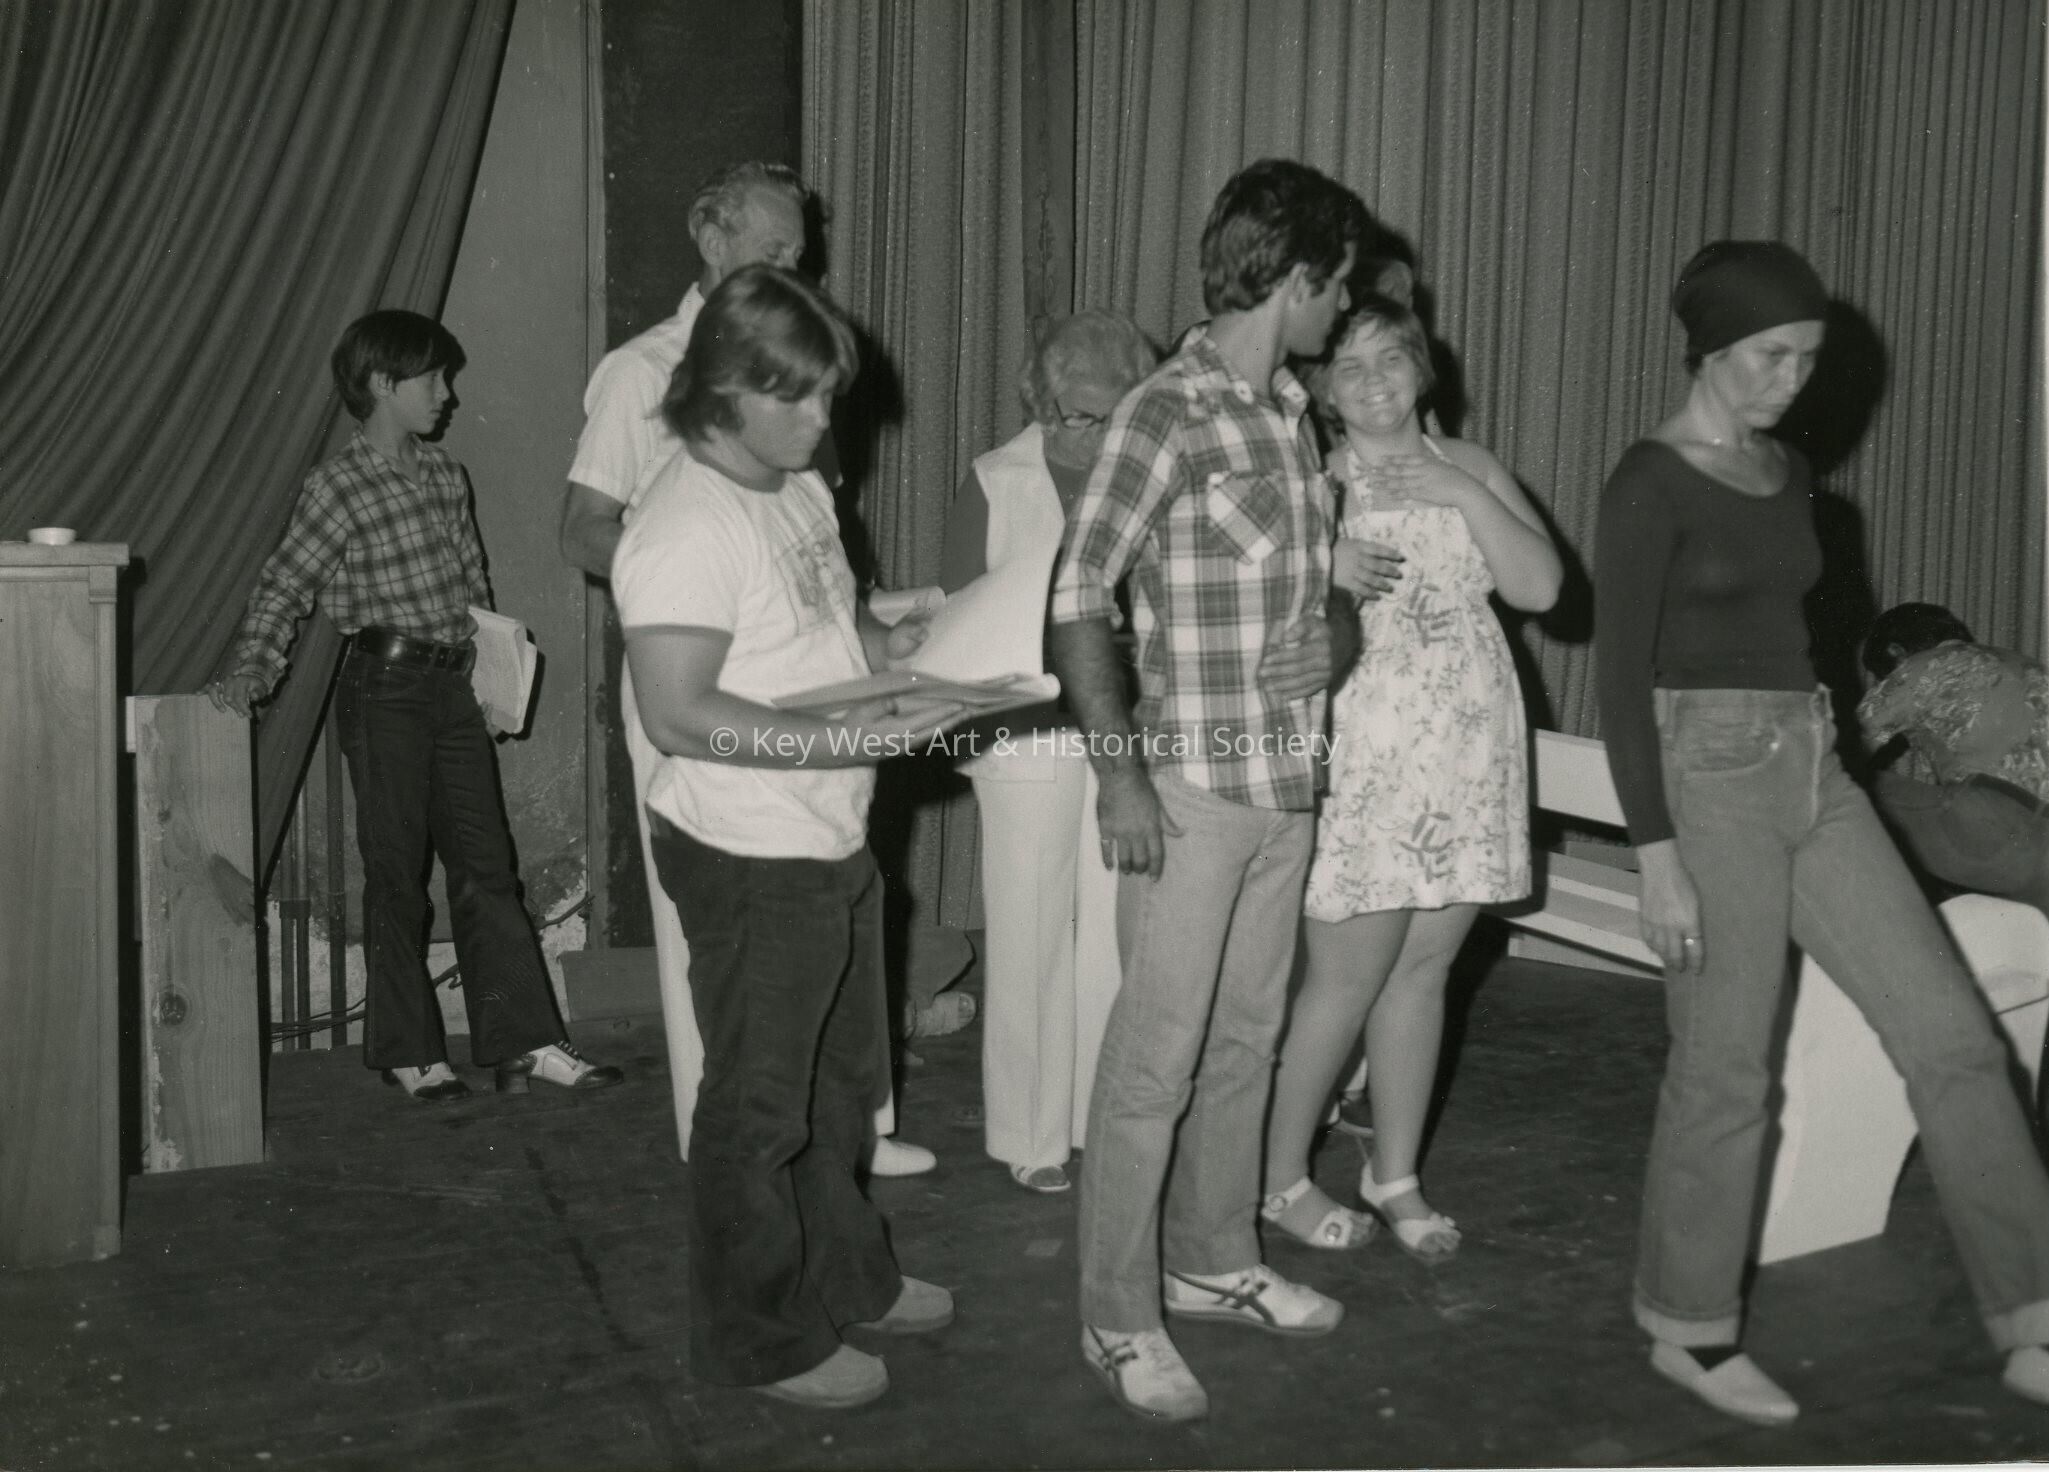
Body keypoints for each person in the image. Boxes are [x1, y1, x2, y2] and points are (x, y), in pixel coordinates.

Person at [1593, 240, 2049, 1425]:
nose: (1792, 380)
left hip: (1816, 762)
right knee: (1726, 1064)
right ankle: (1688, 1329)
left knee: (1954, 1035)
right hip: (1707, 777)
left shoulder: (1791, 470)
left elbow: (1803, 641)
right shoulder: (1648, 481)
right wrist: (1658, 857)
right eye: (1770, 355)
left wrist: (1827, 749)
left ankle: (2033, 1313)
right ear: (1709, 347)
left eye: (1805, 358)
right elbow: (1620, 682)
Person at [1048, 158, 1370, 1423]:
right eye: (1337, 287)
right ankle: (1116, 1313)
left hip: (1287, 785)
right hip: (1189, 788)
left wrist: (1336, 632)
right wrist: (1119, 779)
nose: (1345, 309)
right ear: (1296, 279)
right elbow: (1078, 596)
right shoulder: (1165, 411)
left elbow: (1325, 593)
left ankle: (1215, 1256)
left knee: (1247, 1040)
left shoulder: (1293, 414)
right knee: (1156, 1058)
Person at [613, 265, 966, 1410]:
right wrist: (834, 743)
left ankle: (850, 1277)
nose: (824, 418)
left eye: (827, 393)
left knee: (842, 1084)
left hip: (826, 832)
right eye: (798, 396)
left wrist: (894, 639)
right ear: (726, 390)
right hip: (748, 850)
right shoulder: (682, 523)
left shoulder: (795, 480)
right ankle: (760, 1338)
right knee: (760, 1106)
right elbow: (679, 712)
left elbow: (826, 615)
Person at [559, 160, 934, 1176]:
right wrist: (696, 572)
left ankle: (846, 1141)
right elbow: (583, 527)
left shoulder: (791, 371)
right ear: (709, 238)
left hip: (800, 673)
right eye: (769, 251)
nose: (788, 272)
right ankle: (730, 1148)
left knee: (830, 923)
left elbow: (809, 544)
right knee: (726, 960)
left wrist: (870, 632)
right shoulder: (642, 370)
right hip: (697, 673)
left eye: (798, 257)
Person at [213, 310, 622, 1101]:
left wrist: (495, 681)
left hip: (453, 689)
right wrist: (252, 668)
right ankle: (409, 1052)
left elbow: (473, 589)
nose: (446, 394)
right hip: (384, 691)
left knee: (487, 867)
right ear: (382, 383)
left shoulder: (444, 474)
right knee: (398, 872)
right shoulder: (337, 486)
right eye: (432, 378)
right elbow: (284, 586)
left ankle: (524, 1042)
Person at [1261, 296, 1560, 1259]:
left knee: (1423, 974)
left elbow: (1541, 588)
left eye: (1390, 358)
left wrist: (1459, 491)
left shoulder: (1469, 464)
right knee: (1341, 985)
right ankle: (1275, 1178)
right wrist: (1321, 559)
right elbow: (1256, 609)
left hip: (1466, 751)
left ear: (1419, 368)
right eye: (1348, 366)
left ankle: (1392, 1175)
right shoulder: (1310, 477)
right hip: (1367, 752)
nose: (1373, 381)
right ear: (1322, 388)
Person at [936, 312, 1155, 1194]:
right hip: (1025, 732)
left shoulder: (1144, 476)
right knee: (1029, 931)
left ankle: (1094, 1114)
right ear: (1040, 400)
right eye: (1071, 414)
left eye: (1107, 416)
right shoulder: (996, 480)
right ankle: (1028, 1135)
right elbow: (957, 614)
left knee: (1110, 936)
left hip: (1123, 730)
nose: (1087, 434)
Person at [1858, 601, 2049, 913]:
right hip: (2041, 857)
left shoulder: (1924, 666)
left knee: (1837, 782)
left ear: (1896, 652)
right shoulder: (2030, 667)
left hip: (1990, 826)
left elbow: (1841, 746)